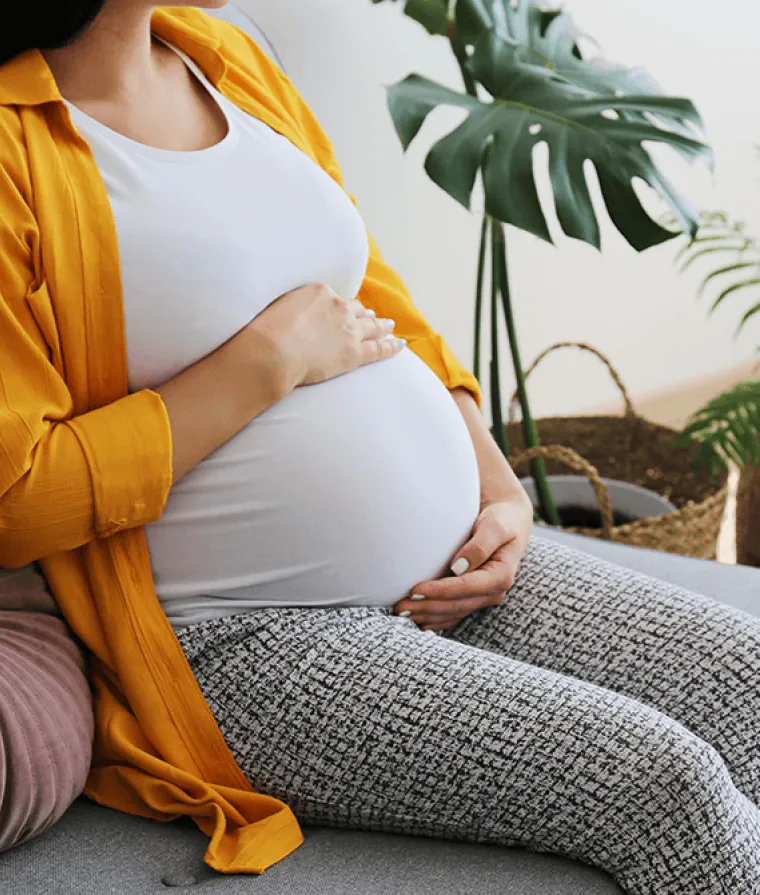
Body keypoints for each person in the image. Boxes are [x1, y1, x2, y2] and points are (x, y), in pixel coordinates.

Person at [0, 3, 758, 893]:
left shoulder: (222, 55)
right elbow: (19, 499)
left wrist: (495, 483)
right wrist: (259, 366)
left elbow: (376, 291)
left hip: (454, 567)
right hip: (244, 641)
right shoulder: (12, 151)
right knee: (663, 790)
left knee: (748, 684)